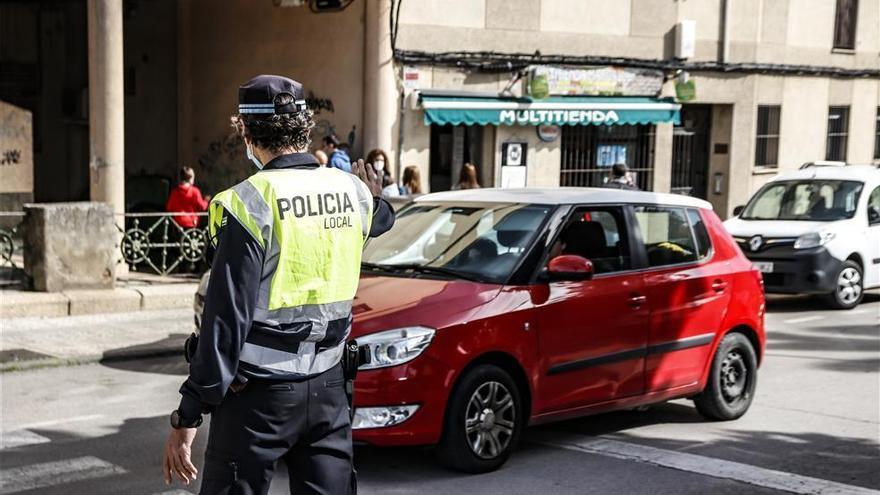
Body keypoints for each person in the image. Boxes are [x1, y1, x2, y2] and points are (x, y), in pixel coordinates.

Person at [161, 74, 395, 495]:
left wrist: (188, 415)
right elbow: (382, 218)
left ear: (247, 134)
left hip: (257, 400)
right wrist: (375, 198)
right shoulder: (352, 193)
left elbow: (223, 326)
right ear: (305, 128)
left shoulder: (247, 203)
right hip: (328, 392)